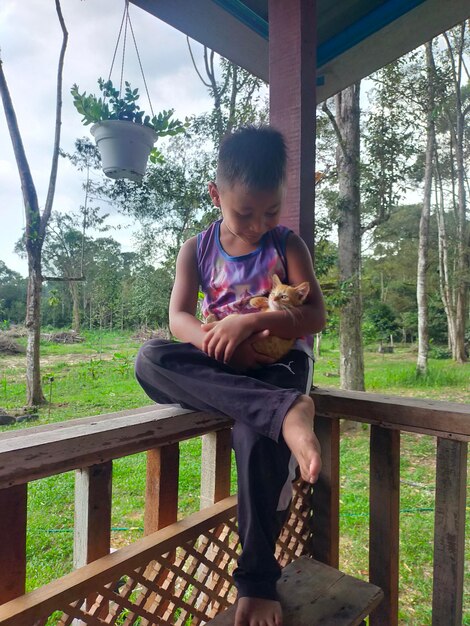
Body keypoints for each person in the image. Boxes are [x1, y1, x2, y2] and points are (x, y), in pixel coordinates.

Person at [135, 125, 326, 626]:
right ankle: (286, 412)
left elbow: (313, 317)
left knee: (254, 437)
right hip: (226, 365)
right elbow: (178, 316)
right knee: (151, 358)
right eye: (245, 213)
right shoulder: (195, 248)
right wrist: (212, 342)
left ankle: (258, 582)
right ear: (215, 194)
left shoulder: (287, 245)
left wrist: (254, 320)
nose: (259, 224)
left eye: (271, 211)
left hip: (281, 364)